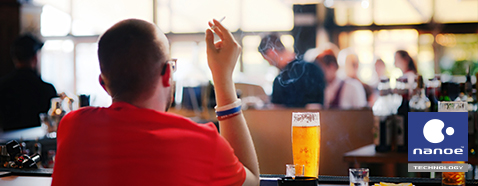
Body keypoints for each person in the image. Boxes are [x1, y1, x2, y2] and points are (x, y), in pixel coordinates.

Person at [52, 19, 260, 186]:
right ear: (168, 73)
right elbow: (251, 180)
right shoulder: (203, 143)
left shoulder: (72, 126)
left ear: (103, 84)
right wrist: (222, 76)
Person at [0, 34, 57, 131]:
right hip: (40, 144)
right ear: (35, 58)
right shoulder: (47, 89)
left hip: (7, 143)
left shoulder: (2, 86)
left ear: (15, 58)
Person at [258, 33, 326, 108]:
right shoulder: (313, 69)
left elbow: (277, 113)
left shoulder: (280, 81)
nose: (270, 64)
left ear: (271, 52)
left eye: (267, 60)